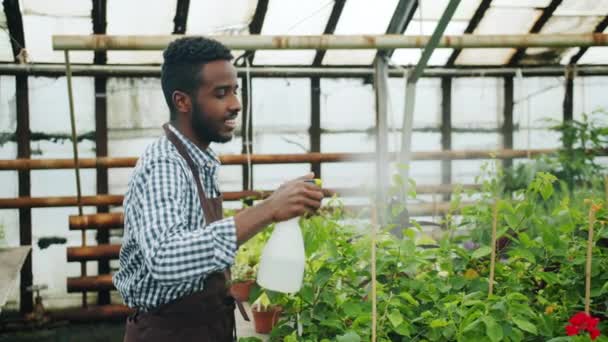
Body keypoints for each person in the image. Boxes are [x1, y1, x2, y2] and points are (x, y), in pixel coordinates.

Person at [113, 37, 324, 342]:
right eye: (221, 94)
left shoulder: (200, 160)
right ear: (182, 101)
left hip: (204, 325)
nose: (236, 104)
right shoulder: (164, 164)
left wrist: (280, 205)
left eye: (235, 91)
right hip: (169, 333)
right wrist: (268, 209)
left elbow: (197, 241)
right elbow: (165, 257)